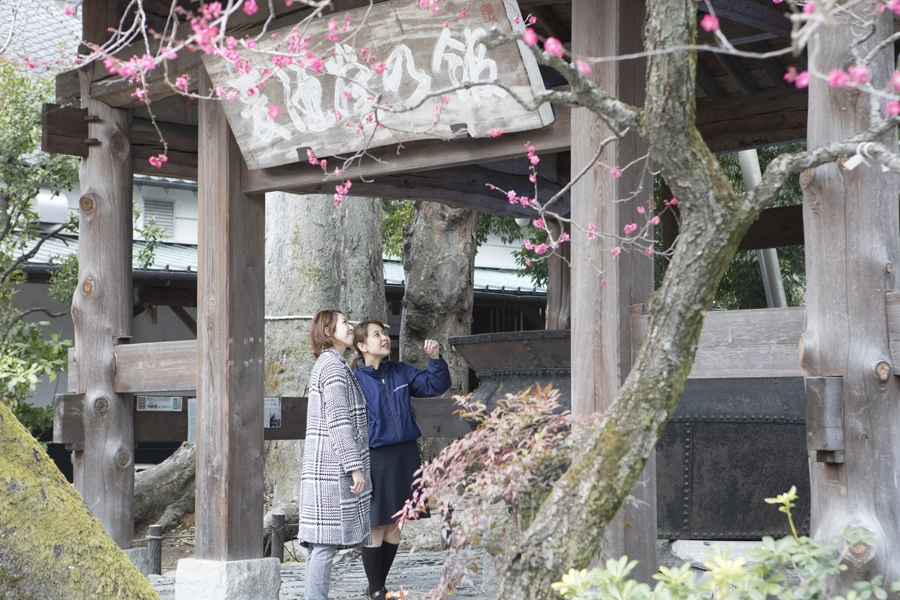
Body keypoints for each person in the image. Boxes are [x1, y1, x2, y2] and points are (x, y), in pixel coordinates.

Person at [351, 320, 452, 600]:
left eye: (385, 333)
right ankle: (375, 588)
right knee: (376, 523)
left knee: (397, 521)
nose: (385, 338)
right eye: (377, 335)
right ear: (361, 346)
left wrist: (435, 359)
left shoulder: (401, 372)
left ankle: (378, 587)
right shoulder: (354, 380)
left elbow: (435, 385)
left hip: (406, 455)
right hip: (375, 456)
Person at [298, 310, 372, 600]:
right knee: (324, 544)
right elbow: (339, 421)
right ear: (328, 331)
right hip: (331, 468)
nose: (351, 327)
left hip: (324, 465)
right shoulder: (333, 366)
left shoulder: (331, 363)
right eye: (344, 323)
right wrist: (355, 468)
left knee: (320, 545)